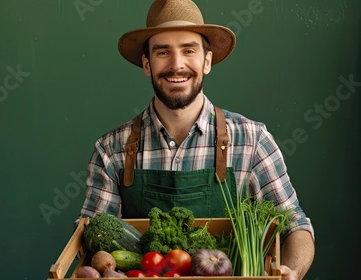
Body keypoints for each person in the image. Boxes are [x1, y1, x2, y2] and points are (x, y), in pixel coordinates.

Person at [77, 0, 315, 279]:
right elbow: (94, 234)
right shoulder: (112, 149)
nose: (176, 65)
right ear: (146, 64)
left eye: (188, 50)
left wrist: (293, 272)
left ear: (207, 61)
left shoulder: (252, 140)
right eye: (162, 52)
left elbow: (295, 226)